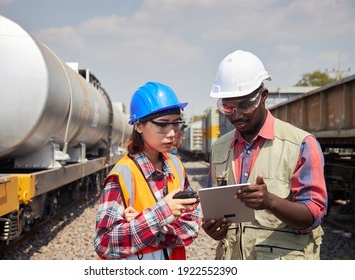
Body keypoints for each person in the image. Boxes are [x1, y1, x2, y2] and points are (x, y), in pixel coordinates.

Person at [202, 50, 328, 260]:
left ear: (263, 97)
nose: (236, 114)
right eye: (228, 106)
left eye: (245, 105)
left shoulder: (301, 145)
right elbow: (213, 208)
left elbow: (312, 215)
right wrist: (214, 229)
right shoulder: (219, 148)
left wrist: (270, 201)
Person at [94, 81, 202, 260]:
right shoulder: (123, 175)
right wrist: (163, 213)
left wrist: (141, 224)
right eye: (162, 124)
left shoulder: (176, 166)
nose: (172, 133)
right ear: (138, 125)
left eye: (175, 123)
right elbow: (104, 244)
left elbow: (192, 227)